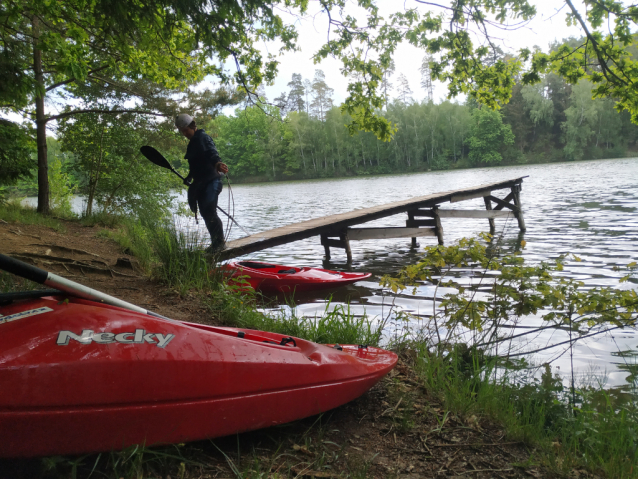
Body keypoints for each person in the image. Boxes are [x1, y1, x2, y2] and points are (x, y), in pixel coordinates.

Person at [175, 113, 229, 252]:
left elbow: (212, 153)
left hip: (212, 181)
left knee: (209, 211)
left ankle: (220, 243)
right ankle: (215, 243)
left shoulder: (203, 137)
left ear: (192, 126)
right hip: (200, 183)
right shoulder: (192, 142)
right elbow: (196, 165)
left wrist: (217, 164)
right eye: (182, 131)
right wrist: (189, 176)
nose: (185, 133)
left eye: (186, 130)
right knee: (205, 212)